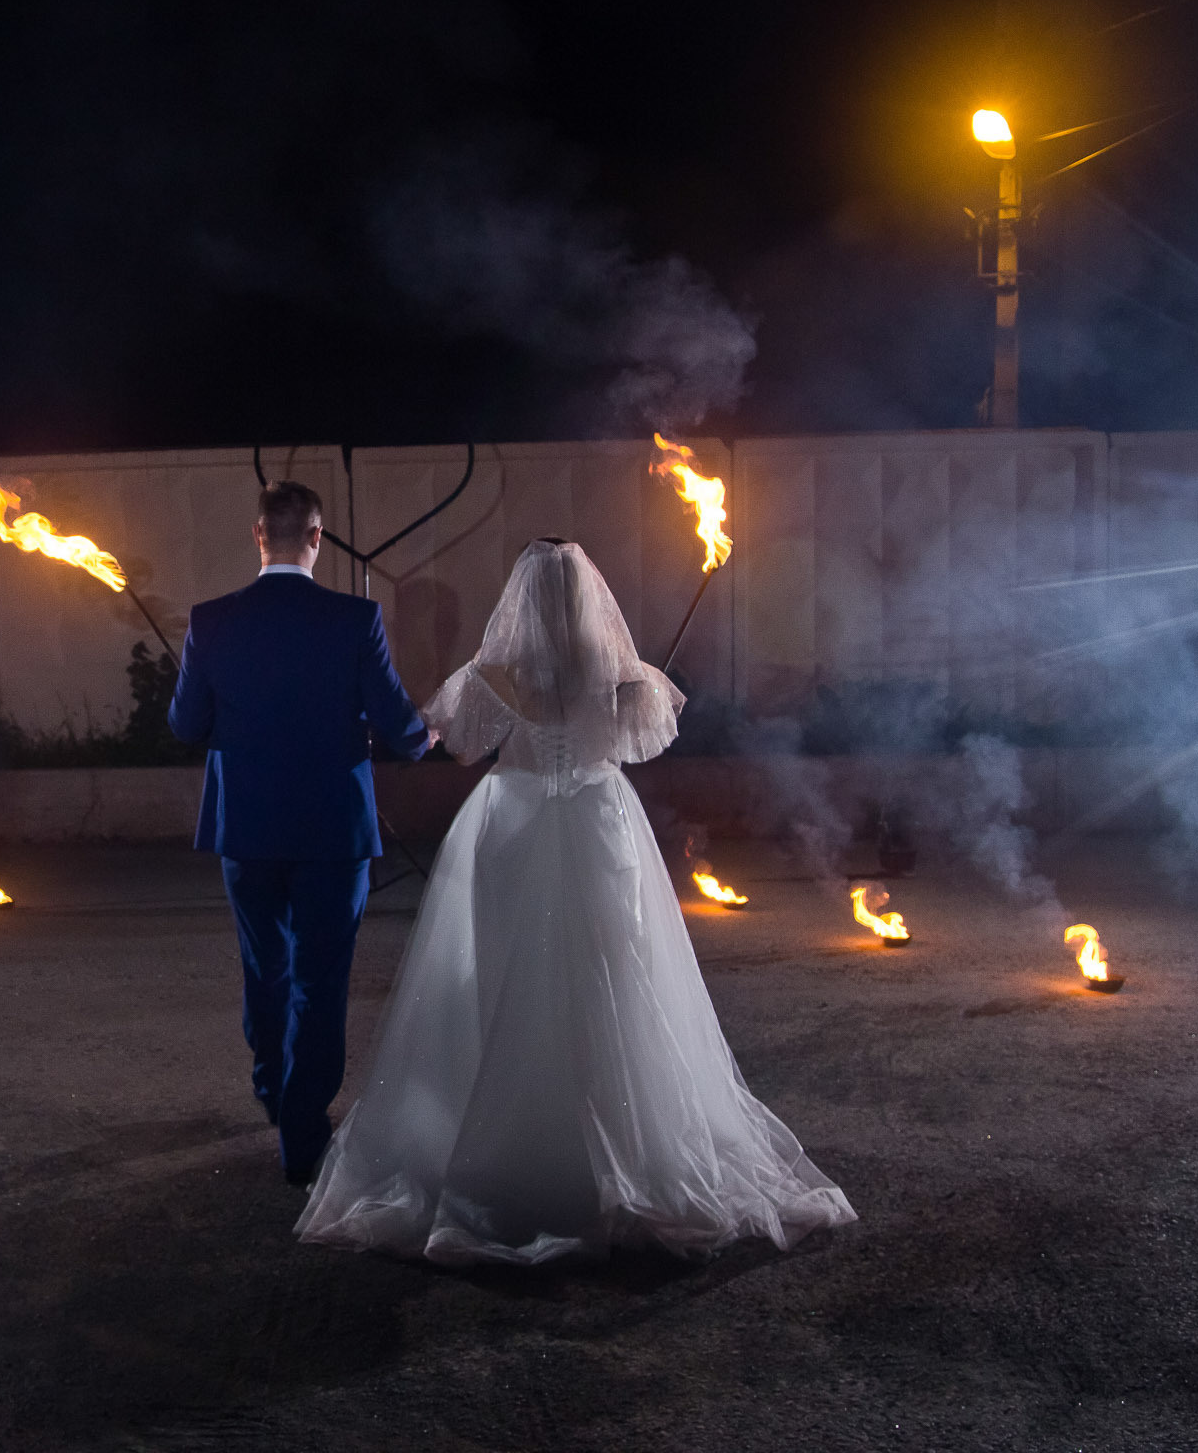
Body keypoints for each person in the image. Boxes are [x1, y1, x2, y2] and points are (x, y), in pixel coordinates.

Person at [296, 537, 856, 1265]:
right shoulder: (621, 673)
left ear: (520, 600)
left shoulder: (494, 671)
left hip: (515, 821)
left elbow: (459, 744)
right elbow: (633, 741)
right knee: (613, 967)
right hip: (598, 820)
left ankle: (510, 1136)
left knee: (504, 973)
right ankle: (619, 1134)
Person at [168, 481, 430, 1185]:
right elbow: (400, 728)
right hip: (331, 831)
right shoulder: (355, 618)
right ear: (317, 537)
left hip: (246, 828)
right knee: (321, 979)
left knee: (266, 967)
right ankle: (303, 1133)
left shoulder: (209, 620)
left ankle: (270, 1088)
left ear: (259, 536)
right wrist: (425, 734)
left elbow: (184, 726)